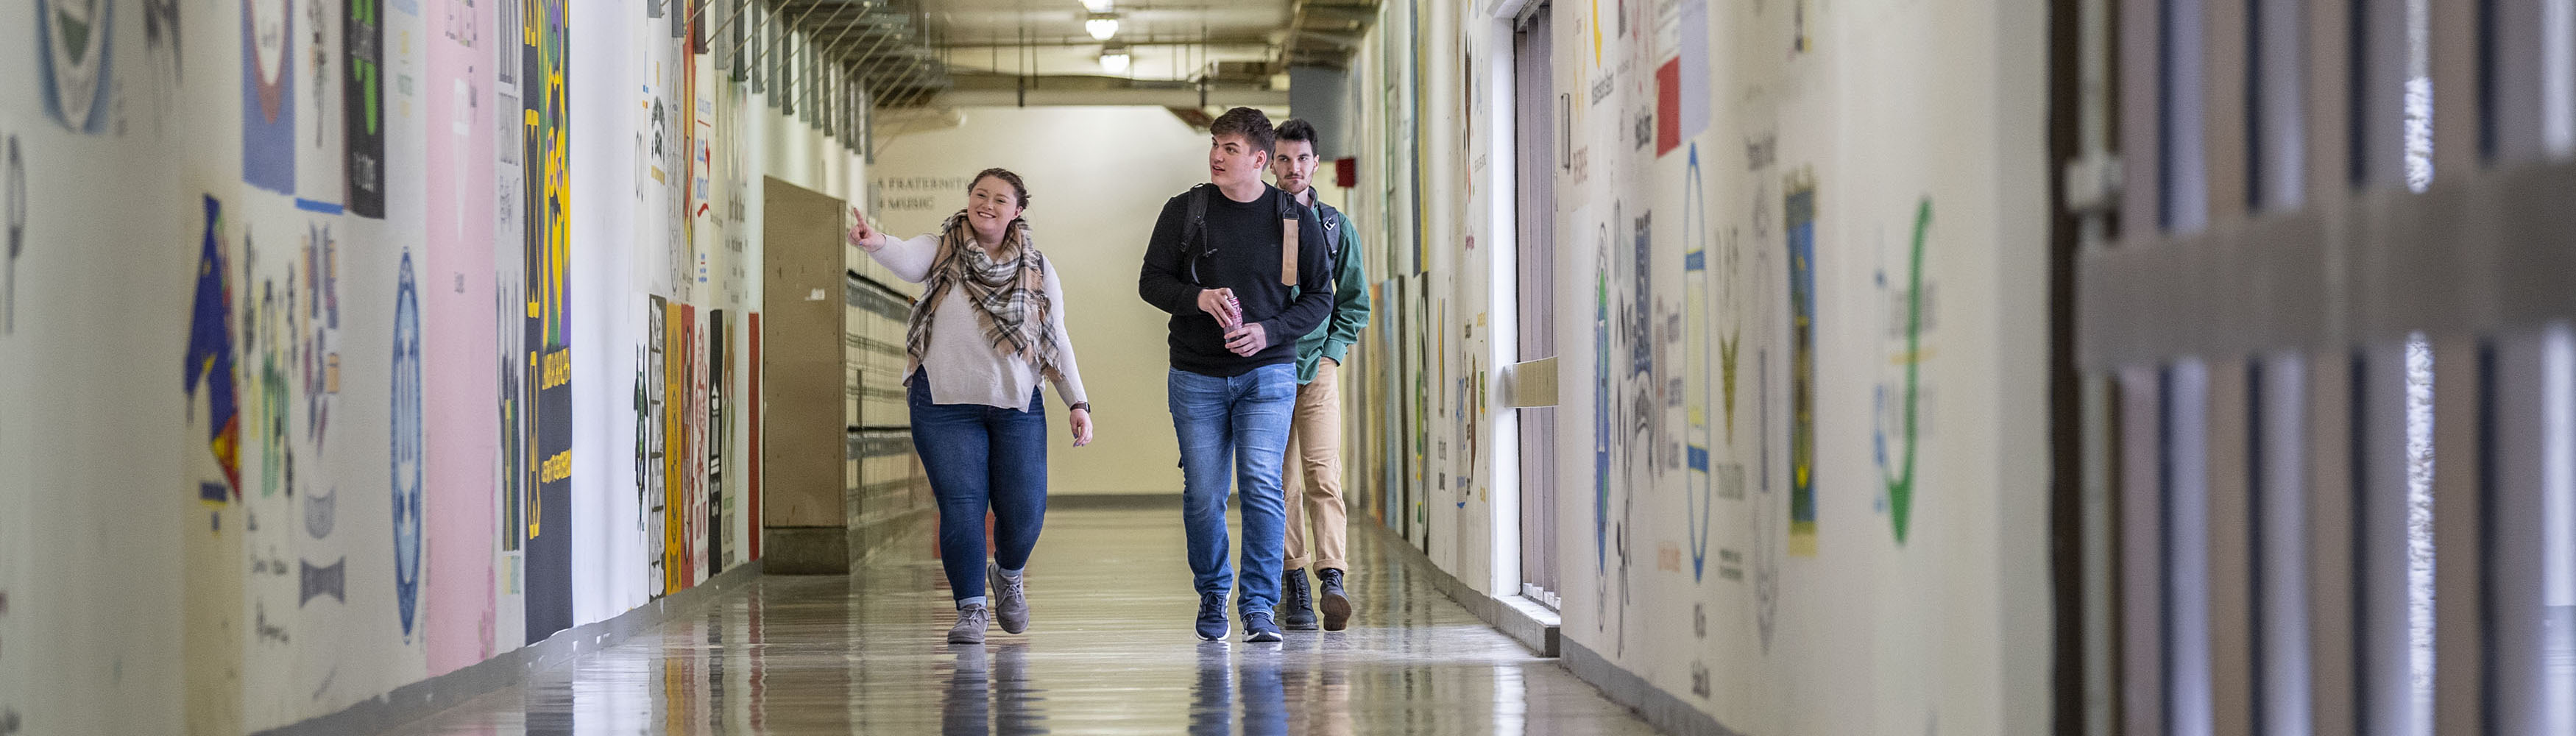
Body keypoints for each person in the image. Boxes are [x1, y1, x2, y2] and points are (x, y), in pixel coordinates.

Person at [849, 168, 1094, 645]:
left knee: (1024, 512)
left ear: (1017, 211)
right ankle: (971, 609)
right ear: (968, 199)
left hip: (1016, 402)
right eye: (980, 194)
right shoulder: (941, 249)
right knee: (961, 507)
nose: (987, 204)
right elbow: (907, 259)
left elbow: (1056, 337)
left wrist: (1077, 402)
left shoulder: (1038, 268)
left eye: (1000, 199)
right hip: (944, 402)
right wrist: (876, 243)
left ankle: (1008, 574)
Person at [1138, 107, 1334, 643]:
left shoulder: (1292, 219)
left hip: (1267, 373)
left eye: (1230, 148)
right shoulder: (1186, 211)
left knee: (1262, 485)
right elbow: (1151, 282)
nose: (1217, 156)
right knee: (1204, 494)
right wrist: (1198, 298)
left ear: (1259, 159)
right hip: (1196, 375)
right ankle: (1212, 592)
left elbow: (1319, 296)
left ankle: (1258, 607)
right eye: (1214, 145)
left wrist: (1270, 332)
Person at [1266, 118, 1368, 631]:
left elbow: (1354, 302)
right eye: (1284, 159)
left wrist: (1332, 353)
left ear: (1316, 163)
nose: (1293, 168)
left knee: (1323, 473)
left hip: (1317, 368)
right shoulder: (1256, 222)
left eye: (1302, 158)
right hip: (1267, 370)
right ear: (1270, 163)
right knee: (1281, 481)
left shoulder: (1335, 227)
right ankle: (1296, 583)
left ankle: (1332, 577)